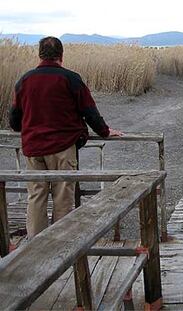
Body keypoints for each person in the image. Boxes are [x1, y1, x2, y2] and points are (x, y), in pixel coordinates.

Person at [9, 36, 123, 238]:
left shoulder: (24, 81)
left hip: (33, 149)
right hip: (63, 148)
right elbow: (89, 111)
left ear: (39, 54)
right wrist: (105, 131)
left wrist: (26, 128)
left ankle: (35, 246)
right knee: (63, 198)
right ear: (61, 55)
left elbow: (15, 119)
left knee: (36, 196)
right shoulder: (70, 79)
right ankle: (59, 244)